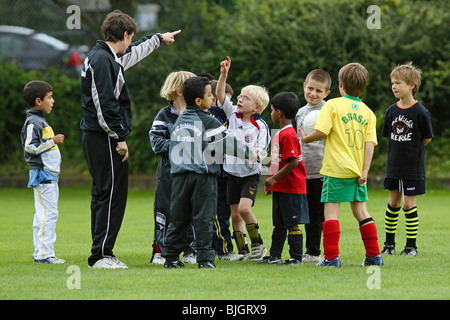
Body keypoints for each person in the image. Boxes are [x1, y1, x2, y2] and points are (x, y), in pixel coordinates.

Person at [80, 10, 181, 269]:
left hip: (98, 135)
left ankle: (102, 252)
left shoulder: (107, 56)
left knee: (105, 193)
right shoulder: (103, 61)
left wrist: (159, 38)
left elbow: (133, 52)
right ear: (124, 34)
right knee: (111, 195)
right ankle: (101, 255)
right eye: (130, 37)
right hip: (104, 137)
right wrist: (120, 136)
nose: (130, 43)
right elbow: (104, 104)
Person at [163, 76, 256, 269]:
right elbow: (228, 143)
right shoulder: (208, 122)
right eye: (209, 94)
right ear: (199, 101)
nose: (212, 97)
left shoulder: (180, 121)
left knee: (178, 217)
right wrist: (249, 152)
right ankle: (205, 259)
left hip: (179, 177)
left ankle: (171, 257)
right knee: (204, 217)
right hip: (202, 178)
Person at [300, 62, 383, 267]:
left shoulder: (332, 105)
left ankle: (331, 258)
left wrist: (306, 138)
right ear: (363, 87)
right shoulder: (368, 112)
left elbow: (322, 132)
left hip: (335, 169)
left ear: (341, 86)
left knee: (330, 213)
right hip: (357, 171)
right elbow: (369, 144)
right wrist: (365, 170)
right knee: (362, 212)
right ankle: (374, 256)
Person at [216, 56, 270, 261]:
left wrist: (251, 153)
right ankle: (243, 251)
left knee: (244, 208)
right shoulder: (232, 115)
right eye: (239, 96)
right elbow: (220, 95)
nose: (239, 99)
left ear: (257, 108)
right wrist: (223, 75)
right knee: (235, 215)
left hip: (249, 174)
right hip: (231, 173)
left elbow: (261, 153)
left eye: (245, 98)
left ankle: (258, 246)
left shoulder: (260, 126)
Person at [381, 62, 433, 257]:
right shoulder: (390, 111)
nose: (394, 86)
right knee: (393, 204)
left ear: (411, 85)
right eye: (392, 83)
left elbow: (426, 138)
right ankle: (389, 245)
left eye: (398, 83)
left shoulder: (421, 112)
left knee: (408, 205)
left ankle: (411, 247)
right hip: (393, 167)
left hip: (412, 168)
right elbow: (389, 136)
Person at [149, 71, 197, 265]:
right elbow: (156, 143)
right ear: (179, 91)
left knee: (192, 210)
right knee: (165, 210)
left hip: (193, 172)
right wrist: (181, 144)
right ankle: (160, 251)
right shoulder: (163, 115)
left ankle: (190, 250)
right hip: (168, 173)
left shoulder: (198, 114)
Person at [261, 92, 309, 265]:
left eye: (272, 110)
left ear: (279, 113)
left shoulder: (288, 134)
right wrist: (272, 181)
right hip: (281, 186)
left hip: (292, 187)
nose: (271, 113)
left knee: (292, 224)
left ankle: (296, 257)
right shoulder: (280, 133)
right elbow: (277, 162)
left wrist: (273, 179)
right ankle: (274, 256)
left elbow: (293, 162)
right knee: (279, 224)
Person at [21, 80, 65, 264]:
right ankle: (45, 254)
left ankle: (40, 251)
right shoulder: (34, 122)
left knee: (43, 214)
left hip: (49, 176)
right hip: (43, 175)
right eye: (49, 97)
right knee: (48, 214)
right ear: (39, 101)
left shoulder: (39, 120)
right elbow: (30, 148)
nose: (52, 101)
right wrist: (52, 141)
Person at [295, 70, 331, 263]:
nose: (313, 93)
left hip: (324, 171)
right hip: (305, 172)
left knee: (324, 214)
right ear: (304, 86)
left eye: (319, 90)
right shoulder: (300, 112)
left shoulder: (329, 110)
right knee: (308, 214)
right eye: (310, 88)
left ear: (327, 93)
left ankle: (329, 251)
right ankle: (312, 251)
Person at [208, 80, 243, 261]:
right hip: (215, 174)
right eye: (224, 100)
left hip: (226, 174)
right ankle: (224, 250)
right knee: (219, 214)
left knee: (225, 213)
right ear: (214, 99)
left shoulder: (230, 118)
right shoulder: (213, 120)